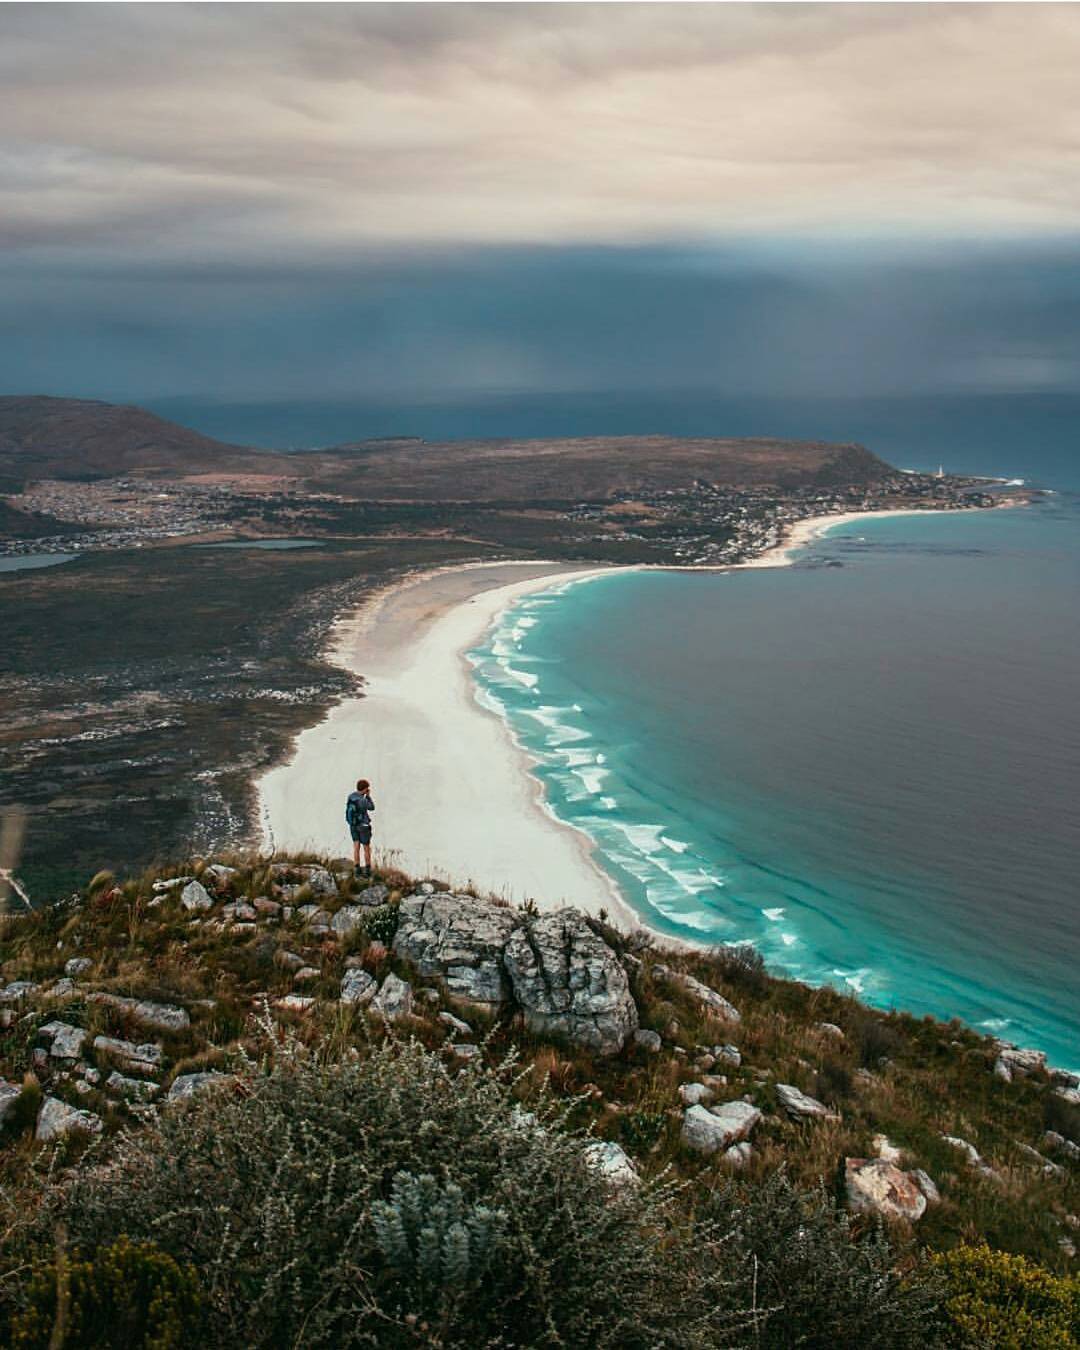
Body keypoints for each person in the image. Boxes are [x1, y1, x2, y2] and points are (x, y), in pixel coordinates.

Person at [345, 778, 375, 878]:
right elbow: (371, 807)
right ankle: (367, 869)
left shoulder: (351, 797)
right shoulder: (362, 800)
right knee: (366, 848)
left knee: (356, 846)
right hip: (363, 826)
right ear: (364, 789)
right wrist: (368, 797)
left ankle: (357, 869)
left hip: (353, 825)